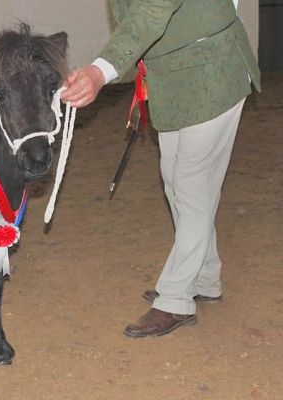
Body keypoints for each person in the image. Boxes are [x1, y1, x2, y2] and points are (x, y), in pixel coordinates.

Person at [61, 0, 260, 338]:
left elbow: (151, 13)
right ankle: (205, 277)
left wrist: (100, 70)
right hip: (174, 79)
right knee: (174, 179)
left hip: (214, 70)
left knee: (190, 184)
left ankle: (176, 299)